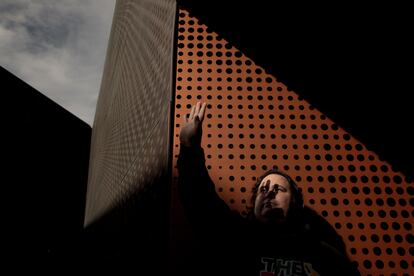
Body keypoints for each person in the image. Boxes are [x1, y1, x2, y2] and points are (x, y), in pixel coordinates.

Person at [177, 102, 361, 276]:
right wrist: (189, 147)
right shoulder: (236, 238)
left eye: (279, 188)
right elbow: (200, 201)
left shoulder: (319, 250)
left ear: (297, 202)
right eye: (262, 189)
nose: (269, 192)